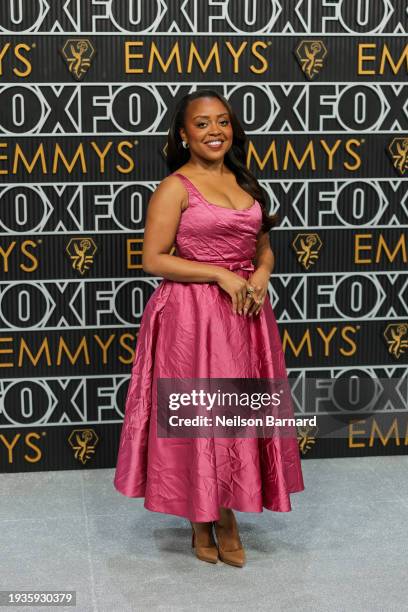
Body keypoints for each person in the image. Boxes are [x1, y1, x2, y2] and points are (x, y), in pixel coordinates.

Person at [113, 89, 305, 568]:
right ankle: (207, 519)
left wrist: (260, 273)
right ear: (183, 134)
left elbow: (262, 248)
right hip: (190, 318)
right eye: (202, 123)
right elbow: (152, 259)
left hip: (244, 317)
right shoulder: (175, 187)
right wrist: (220, 273)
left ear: (233, 130)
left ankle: (223, 514)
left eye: (222, 121)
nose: (214, 130)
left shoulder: (248, 184)